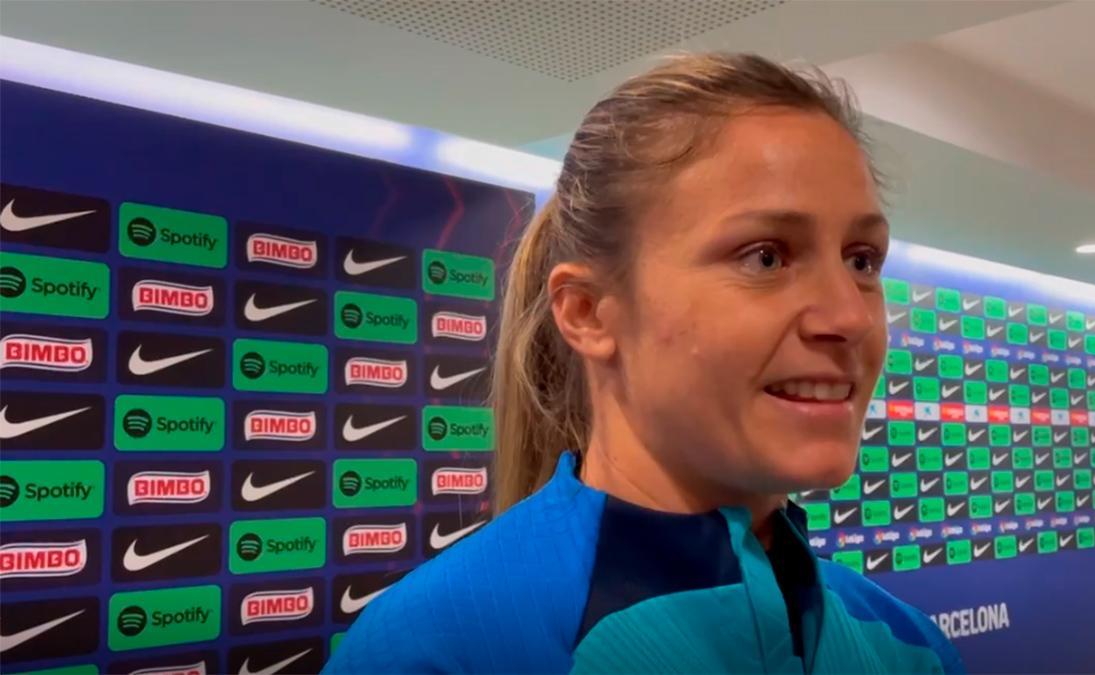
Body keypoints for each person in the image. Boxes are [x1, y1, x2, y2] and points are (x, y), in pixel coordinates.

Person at [323, 52, 964, 674]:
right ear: (589, 312)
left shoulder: (909, 647)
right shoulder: (433, 652)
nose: (849, 317)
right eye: (766, 256)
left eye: (862, 260)